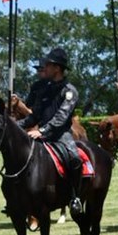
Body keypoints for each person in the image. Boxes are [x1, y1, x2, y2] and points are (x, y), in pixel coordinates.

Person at [15, 46, 84, 216]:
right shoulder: (44, 89)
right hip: (41, 134)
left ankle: (74, 197)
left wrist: (43, 130)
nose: (45, 68)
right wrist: (15, 126)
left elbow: (61, 117)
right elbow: (34, 116)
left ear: (58, 68)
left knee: (74, 158)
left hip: (61, 135)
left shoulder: (70, 91)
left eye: (49, 65)